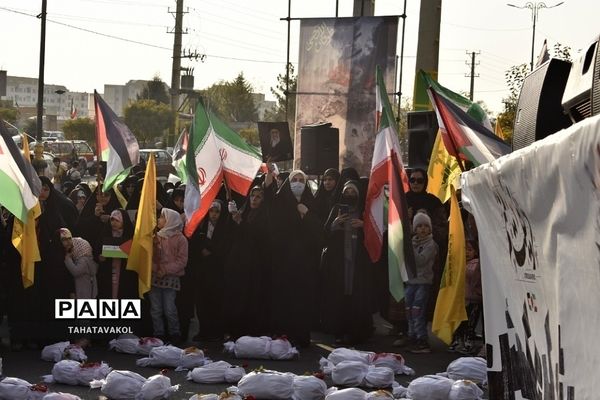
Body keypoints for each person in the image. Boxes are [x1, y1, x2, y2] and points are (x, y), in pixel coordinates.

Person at [264, 169, 322, 347]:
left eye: (301, 180)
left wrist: (307, 215)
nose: (297, 183)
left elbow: (320, 231)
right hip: (283, 261)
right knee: (284, 298)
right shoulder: (280, 202)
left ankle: (301, 335)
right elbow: (270, 209)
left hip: (305, 263)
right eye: (294, 179)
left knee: (302, 299)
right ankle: (282, 335)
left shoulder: (311, 203)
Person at [321, 180, 374, 344]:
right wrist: (334, 224)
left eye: (353, 192)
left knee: (357, 296)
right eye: (347, 192)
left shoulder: (365, 211)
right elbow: (324, 234)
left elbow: (376, 236)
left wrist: (364, 226)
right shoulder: (336, 209)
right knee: (339, 295)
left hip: (358, 263)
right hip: (339, 263)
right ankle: (339, 330)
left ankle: (356, 332)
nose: (350, 195)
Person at [223, 186, 271, 339]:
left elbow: (259, 235)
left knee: (251, 296)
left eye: (258, 197)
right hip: (239, 263)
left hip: (255, 264)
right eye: (252, 196)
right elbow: (233, 234)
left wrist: (241, 222)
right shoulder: (245, 211)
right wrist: (233, 217)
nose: (254, 200)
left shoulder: (264, 216)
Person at [149, 208, 188, 344]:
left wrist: (164, 269)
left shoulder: (180, 239)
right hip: (155, 278)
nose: (159, 220)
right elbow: (149, 258)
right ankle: (158, 335)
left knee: (169, 308)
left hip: (170, 279)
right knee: (156, 309)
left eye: (162, 217)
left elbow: (182, 261)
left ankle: (174, 333)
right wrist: (155, 268)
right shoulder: (155, 237)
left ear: (170, 221)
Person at [405, 211, 438, 354]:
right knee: (409, 310)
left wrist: (409, 249)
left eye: (426, 226)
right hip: (411, 281)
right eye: (419, 226)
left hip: (423, 282)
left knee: (418, 311)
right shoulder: (412, 243)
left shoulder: (431, 244)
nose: (422, 229)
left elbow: (421, 260)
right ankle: (412, 335)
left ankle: (422, 339)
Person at [449, 239, 483, 354]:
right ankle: (457, 341)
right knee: (460, 322)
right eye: (464, 250)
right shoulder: (459, 262)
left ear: (475, 252)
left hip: (473, 299)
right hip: (461, 299)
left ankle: (468, 342)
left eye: (469, 250)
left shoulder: (476, 263)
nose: (467, 253)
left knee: (470, 322)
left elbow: (472, 274)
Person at [97, 209, 137, 299]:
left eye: (117, 220)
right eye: (112, 220)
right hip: (108, 271)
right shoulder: (105, 233)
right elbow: (97, 249)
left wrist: (131, 258)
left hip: (124, 272)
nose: (114, 223)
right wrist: (99, 257)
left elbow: (136, 254)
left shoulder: (130, 234)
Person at [60, 228, 98, 299]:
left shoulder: (83, 260)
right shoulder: (89, 259)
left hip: (82, 291)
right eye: (64, 240)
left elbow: (75, 272)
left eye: (69, 239)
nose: (69, 243)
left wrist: (68, 259)